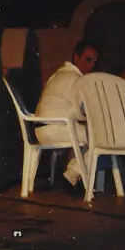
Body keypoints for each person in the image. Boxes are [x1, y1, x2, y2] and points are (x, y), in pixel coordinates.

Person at [34, 39, 98, 188]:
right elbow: (87, 110)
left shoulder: (60, 74)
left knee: (90, 135)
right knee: (101, 137)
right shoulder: (73, 79)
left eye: (95, 61)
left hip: (44, 129)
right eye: (88, 60)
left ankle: (74, 177)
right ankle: (70, 176)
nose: (92, 65)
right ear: (76, 57)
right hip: (55, 129)